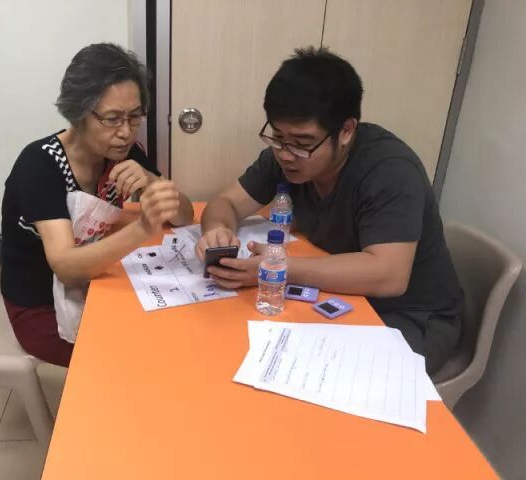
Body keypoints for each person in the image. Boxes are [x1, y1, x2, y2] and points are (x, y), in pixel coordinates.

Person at [196, 46, 462, 375]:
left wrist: (279, 267)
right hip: (340, 297)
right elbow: (225, 203)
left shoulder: (390, 170)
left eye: (303, 142)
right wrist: (217, 232)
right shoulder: (287, 156)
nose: (286, 154)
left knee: (297, 374)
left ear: (346, 131)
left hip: (408, 316)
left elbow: (389, 275)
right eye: (277, 137)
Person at [1, 43, 193, 367]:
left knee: (167, 331)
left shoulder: (123, 152)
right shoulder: (40, 166)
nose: (125, 132)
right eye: (112, 119)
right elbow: (65, 266)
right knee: (130, 360)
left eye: (134, 116)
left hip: (93, 287)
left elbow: (184, 217)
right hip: (40, 306)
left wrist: (151, 180)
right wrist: (142, 227)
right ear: (79, 114)